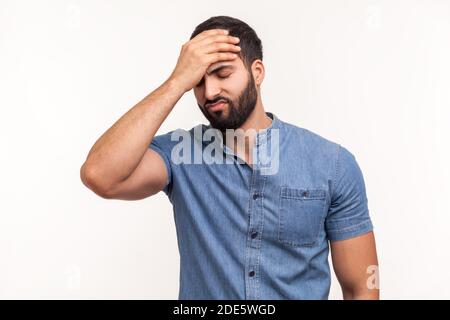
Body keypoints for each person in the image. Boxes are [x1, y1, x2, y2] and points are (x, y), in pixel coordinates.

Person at [80, 16, 379, 300]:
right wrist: (175, 82)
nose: (209, 91)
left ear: (257, 72)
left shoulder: (332, 164)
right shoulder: (180, 155)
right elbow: (99, 175)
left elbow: (362, 289)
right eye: (197, 81)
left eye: (223, 74)